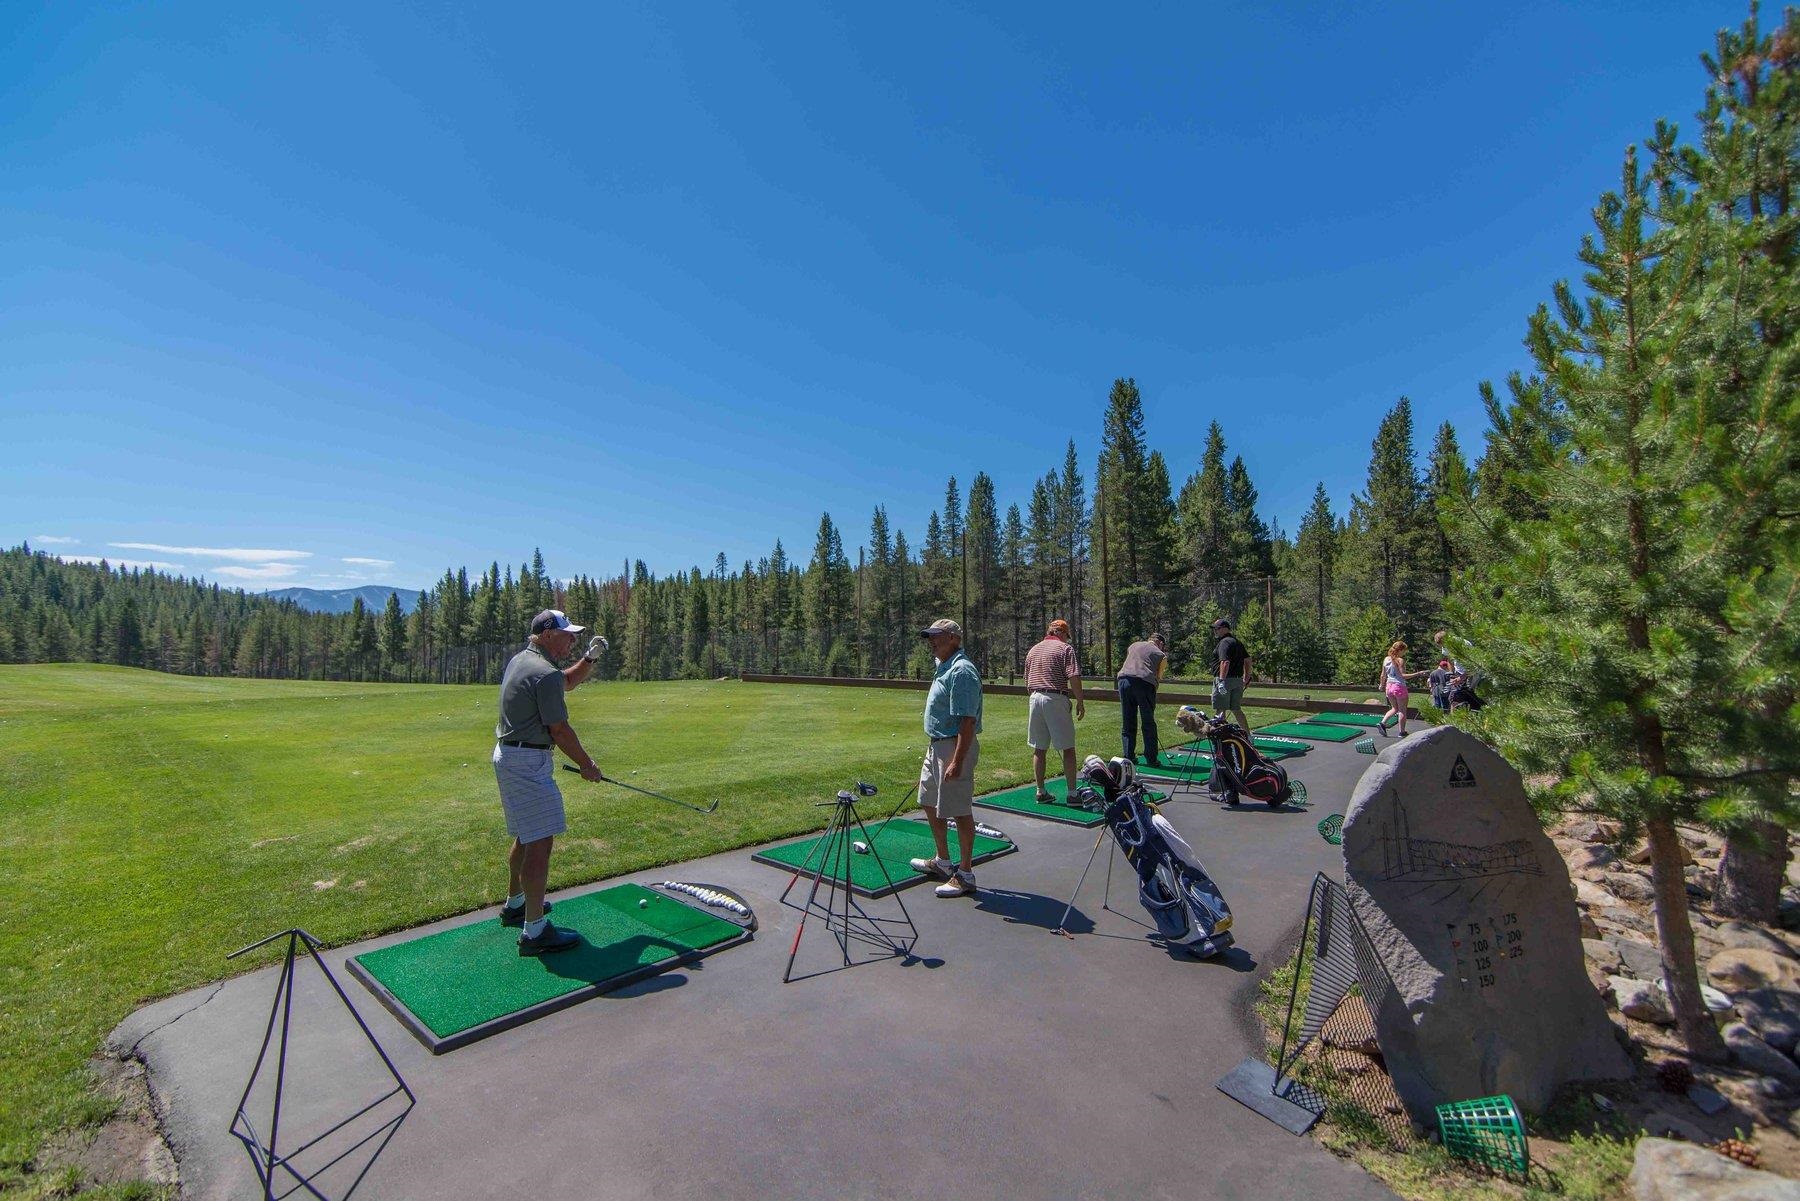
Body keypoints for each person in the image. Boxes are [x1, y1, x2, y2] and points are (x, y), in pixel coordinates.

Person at [493, 609, 607, 955]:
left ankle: (516, 904)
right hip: (527, 762)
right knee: (540, 842)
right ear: (545, 635)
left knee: (525, 836)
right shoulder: (544, 674)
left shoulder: (523, 660)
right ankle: (535, 931)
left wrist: (589, 659)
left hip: (508, 755)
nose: (572, 640)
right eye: (566, 634)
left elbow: (566, 682)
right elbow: (560, 729)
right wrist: (587, 765)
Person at [909, 619, 983, 898]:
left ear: (953, 638)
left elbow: (967, 720)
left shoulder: (962, 670)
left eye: (937, 636)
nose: (931, 640)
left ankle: (965, 874)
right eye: (930, 636)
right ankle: (942, 861)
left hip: (954, 745)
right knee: (928, 800)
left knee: (959, 808)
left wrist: (957, 760)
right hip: (938, 744)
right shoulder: (944, 666)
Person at [1023, 618, 1086, 801]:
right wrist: (1080, 701)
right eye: (1067, 636)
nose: (1067, 640)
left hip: (1035, 697)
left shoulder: (1033, 650)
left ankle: (1041, 791)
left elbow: (1027, 682)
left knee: (1039, 748)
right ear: (1061, 633)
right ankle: (1073, 794)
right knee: (1068, 748)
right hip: (1055, 696)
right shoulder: (1065, 649)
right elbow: (1073, 676)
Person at [1116, 633, 1167, 765]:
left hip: (1123, 681)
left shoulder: (1133, 645)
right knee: (1148, 722)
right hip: (1144, 682)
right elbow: (1158, 676)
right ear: (1160, 643)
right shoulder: (1161, 654)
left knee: (1128, 721)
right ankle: (1151, 758)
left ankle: (1129, 757)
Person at [1377, 640, 1430, 737]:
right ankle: (1402, 732)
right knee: (1402, 710)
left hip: (1389, 686)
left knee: (1394, 708)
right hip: (1399, 686)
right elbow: (1403, 676)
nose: (1404, 653)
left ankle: (1382, 723)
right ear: (1400, 650)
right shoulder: (1400, 660)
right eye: (1404, 651)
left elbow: (1383, 675)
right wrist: (1418, 673)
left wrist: (1381, 685)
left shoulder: (1386, 659)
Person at [1209, 617, 1252, 730]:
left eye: (1217, 629)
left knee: (1220, 710)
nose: (1215, 631)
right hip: (1237, 681)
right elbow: (1248, 660)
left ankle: (1222, 741)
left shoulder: (1224, 642)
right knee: (1236, 710)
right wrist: (1246, 678)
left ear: (1224, 629)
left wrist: (1221, 681)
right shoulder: (1237, 642)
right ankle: (1248, 736)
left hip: (1225, 680)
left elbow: (1225, 662)